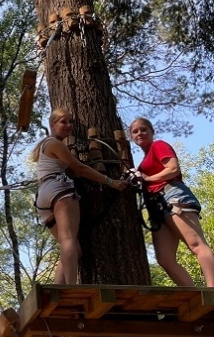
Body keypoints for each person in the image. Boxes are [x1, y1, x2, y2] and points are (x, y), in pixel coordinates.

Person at [33, 108, 128, 284]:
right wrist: (110, 182)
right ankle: (72, 289)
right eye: (63, 122)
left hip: (43, 197)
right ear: (52, 125)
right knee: (68, 239)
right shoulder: (55, 143)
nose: (69, 125)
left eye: (71, 122)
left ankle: (57, 290)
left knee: (73, 249)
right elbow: (80, 168)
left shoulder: (45, 146)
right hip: (59, 190)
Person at [129, 117, 214, 287]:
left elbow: (173, 169)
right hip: (157, 208)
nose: (140, 133)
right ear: (131, 137)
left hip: (172, 197)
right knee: (164, 258)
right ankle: (194, 296)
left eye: (144, 129)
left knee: (196, 244)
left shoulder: (158, 145)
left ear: (152, 132)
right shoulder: (142, 163)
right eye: (135, 131)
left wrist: (147, 178)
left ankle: (212, 290)